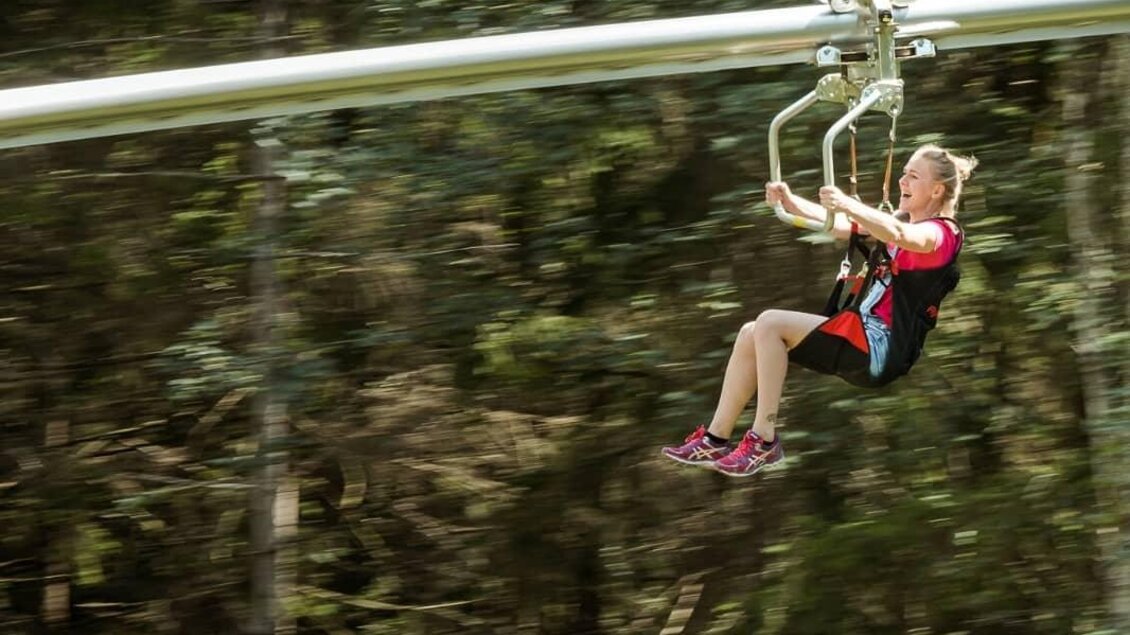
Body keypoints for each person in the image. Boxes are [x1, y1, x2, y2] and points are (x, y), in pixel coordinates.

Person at [661, 144, 977, 477]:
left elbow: (900, 233)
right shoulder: (900, 221)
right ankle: (715, 437)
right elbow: (840, 224)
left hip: (881, 348)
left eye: (913, 176)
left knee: (769, 323)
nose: (902, 182)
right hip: (862, 337)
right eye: (903, 174)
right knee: (751, 333)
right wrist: (790, 202)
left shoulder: (942, 234)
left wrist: (850, 203)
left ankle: (763, 441)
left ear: (937, 189)